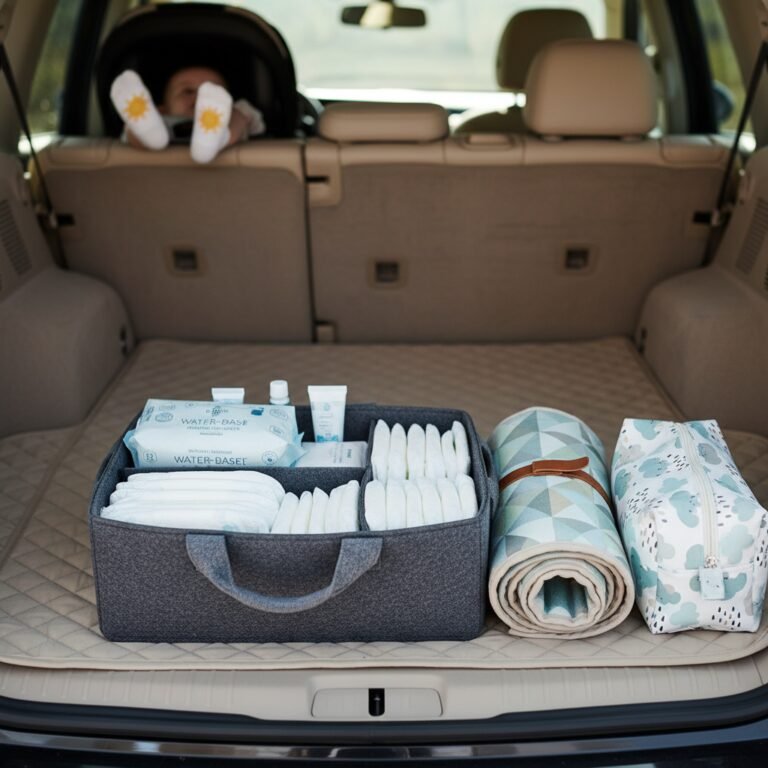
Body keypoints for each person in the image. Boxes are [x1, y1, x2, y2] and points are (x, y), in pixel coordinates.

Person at [110, 67, 265, 163]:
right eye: (188, 91)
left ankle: (219, 136)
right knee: (135, 127)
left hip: (224, 125)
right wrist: (151, 119)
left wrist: (230, 113)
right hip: (161, 128)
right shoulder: (160, 116)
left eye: (213, 94)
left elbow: (246, 118)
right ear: (163, 108)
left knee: (240, 114)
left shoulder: (235, 111)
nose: (199, 97)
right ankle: (151, 135)